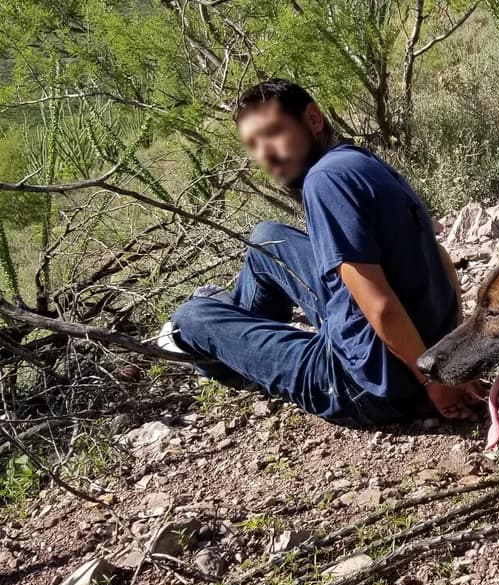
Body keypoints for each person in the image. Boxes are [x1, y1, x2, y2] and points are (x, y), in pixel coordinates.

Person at [160, 79, 479, 425]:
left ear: (313, 119)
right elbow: (440, 257)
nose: (264, 154)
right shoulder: (358, 161)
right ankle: (240, 331)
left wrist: (436, 381)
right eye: (253, 144)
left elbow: (381, 305)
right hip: (419, 352)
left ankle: (226, 349)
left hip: (359, 384)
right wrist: (450, 353)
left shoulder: (322, 182)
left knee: (189, 318)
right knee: (266, 238)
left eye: (273, 133)